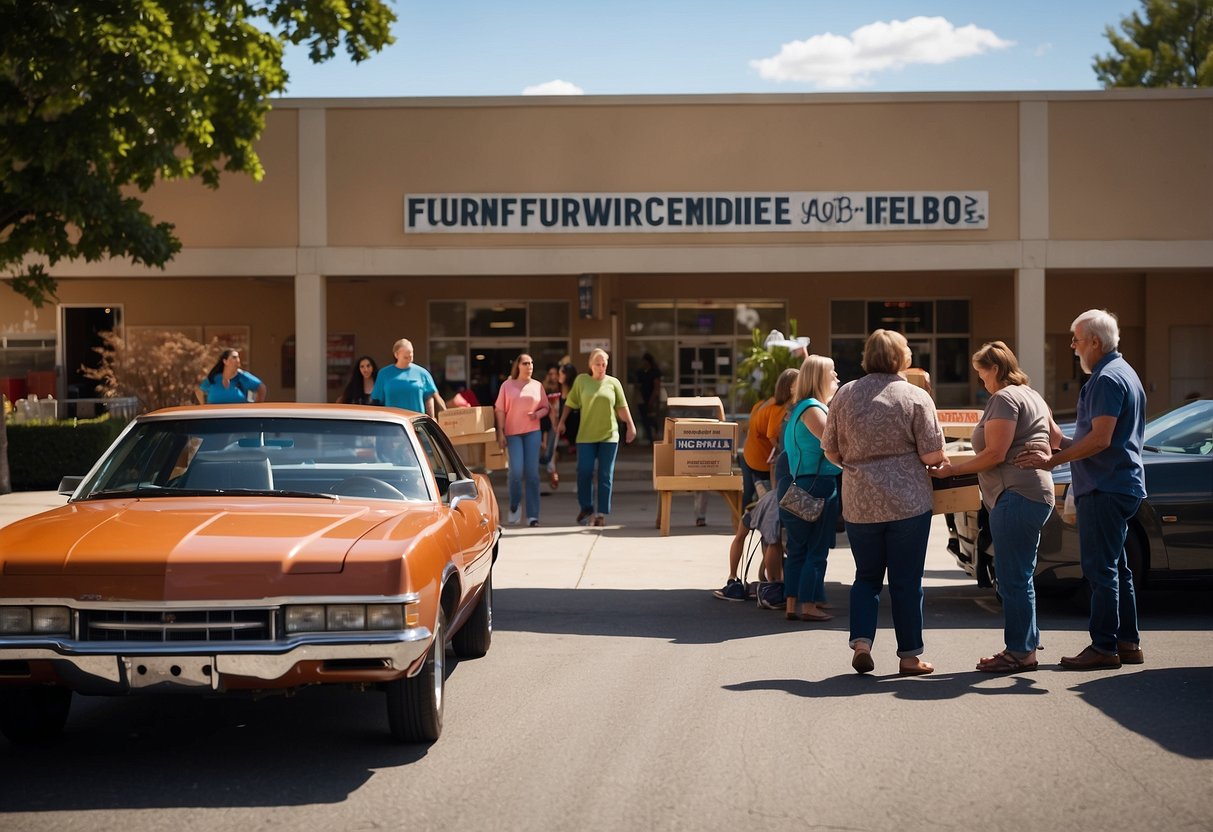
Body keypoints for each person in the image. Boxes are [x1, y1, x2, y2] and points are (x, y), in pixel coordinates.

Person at [1016, 309, 1147, 670]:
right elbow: (1101, 438)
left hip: (1105, 486)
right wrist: (1059, 442)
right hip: (1120, 483)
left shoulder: (1106, 379)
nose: (1073, 347)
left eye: (1076, 340)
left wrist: (1051, 462)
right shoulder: (1124, 373)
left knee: (1101, 570)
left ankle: (1104, 648)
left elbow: (1101, 441)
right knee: (1117, 568)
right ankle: (1128, 643)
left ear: (1094, 341)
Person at [930, 341, 1062, 673]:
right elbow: (1057, 439)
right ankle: (1026, 646)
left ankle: (1019, 652)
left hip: (1015, 494)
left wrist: (951, 470)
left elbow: (995, 454)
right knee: (1021, 576)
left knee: (1012, 578)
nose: (981, 381)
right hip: (1034, 493)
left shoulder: (1004, 398)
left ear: (996, 370)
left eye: (982, 373)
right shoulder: (1032, 394)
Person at [822, 329, 946, 676]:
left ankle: (862, 643)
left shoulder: (845, 394)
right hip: (908, 502)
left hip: (860, 501)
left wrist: (858, 465)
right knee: (907, 580)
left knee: (866, 577)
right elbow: (933, 452)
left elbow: (830, 450)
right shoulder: (914, 396)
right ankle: (909, 657)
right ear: (901, 358)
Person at [780, 355, 842, 623]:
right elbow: (834, 444)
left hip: (802, 484)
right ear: (820, 378)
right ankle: (808, 606)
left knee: (798, 548)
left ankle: (793, 603)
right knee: (816, 549)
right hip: (819, 485)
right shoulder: (814, 408)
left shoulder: (800, 408)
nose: (837, 378)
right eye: (833, 373)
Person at [556, 348, 637, 527]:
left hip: (609, 435)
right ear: (590, 365)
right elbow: (570, 403)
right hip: (586, 436)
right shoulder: (581, 381)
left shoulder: (613, 383)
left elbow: (622, 407)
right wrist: (561, 422)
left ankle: (601, 513)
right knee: (584, 471)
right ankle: (586, 507)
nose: (601, 368)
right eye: (598, 364)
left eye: (604, 364)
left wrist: (630, 426)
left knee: (605, 475)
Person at [494, 353, 549, 527]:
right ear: (518, 366)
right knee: (516, 472)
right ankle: (514, 504)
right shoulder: (507, 385)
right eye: (526, 363)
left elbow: (546, 407)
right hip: (513, 433)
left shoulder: (538, 385)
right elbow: (500, 410)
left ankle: (533, 516)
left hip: (533, 432)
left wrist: (537, 414)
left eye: (532, 363)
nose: (529, 366)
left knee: (532, 474)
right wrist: (500, 433)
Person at [742, 368, 799, 514]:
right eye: (800, 382)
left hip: (750, 452)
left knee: (749, 495)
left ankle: (741, 524)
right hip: (761, 457)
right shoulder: (779, 409)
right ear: (790, 388)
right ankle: (757, 523)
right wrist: (783, 452)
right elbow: (772, 434)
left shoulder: (766, 403)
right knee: (767, 496)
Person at [713, 488, 783, 601]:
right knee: (773, 541)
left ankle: (733, 576)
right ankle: (773, 584)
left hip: (761, 501)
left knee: (742, 536)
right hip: (776, 498)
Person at [371, 338, 439, 417]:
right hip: (392, 422)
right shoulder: (384, 374)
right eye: (405, 357)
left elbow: (429, 397)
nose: (409, 360)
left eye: (411, 356)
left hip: (416, 422)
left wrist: (432, 418)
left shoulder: (422, 373)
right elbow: (377, 401)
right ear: (396, 355)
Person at [196, 349, 266, 404]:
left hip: (238, 419)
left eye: (238, 357)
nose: (238, 360)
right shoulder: (214, 378)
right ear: (225, 361)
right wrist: (203, 406)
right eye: (234, 357)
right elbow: (199, 391)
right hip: (215, 419)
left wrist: (256, 406)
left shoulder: (243, 376)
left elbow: (261, 387)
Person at [635, 352, 663, 443]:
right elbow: (638, 387)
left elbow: (656, 387)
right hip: (643, 399)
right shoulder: (640, 372)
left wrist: (652, 400)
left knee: (653, 418)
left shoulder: (655, 372)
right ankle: (650, 438)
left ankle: (655, 432)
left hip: (653, 399)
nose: (643, 363)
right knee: (644, 419)